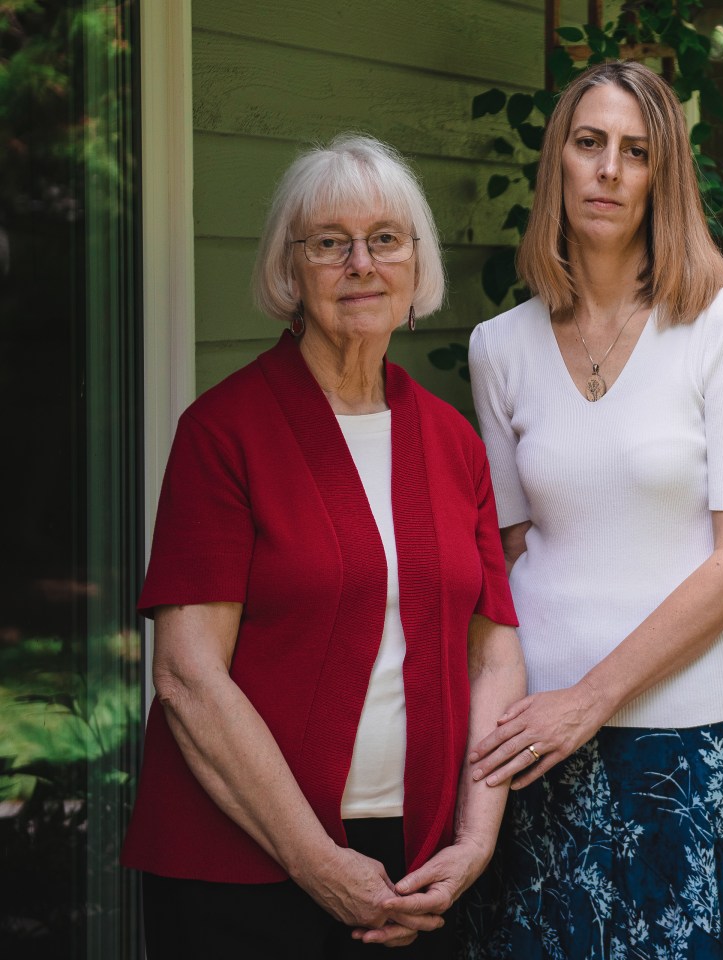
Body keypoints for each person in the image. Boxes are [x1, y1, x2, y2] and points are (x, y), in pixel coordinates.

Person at [121, 133, 526, 959]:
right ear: (289, 270)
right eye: (329, 244)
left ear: (416, 266)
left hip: (420, 869)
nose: (360, 264)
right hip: (241, 873)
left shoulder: (453, 444)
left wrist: (474, 840)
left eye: (385, 239)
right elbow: (188, 676)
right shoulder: (223, 434)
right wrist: (317, 862)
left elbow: (496, 660)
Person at [462, 61, 723, 958]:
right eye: (588, 143)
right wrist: (552, 711)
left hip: (686, 741)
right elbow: (519, 547)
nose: (608, 170)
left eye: (636, 152)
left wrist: (591, 699)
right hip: (536, 750)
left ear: (662, 177)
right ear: (558, 163)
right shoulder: (499, 347)